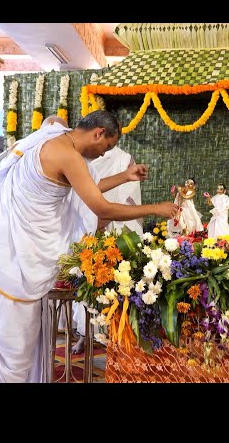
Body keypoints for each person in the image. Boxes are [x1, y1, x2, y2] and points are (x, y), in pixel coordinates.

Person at [0, 109, 177, 383]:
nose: (103, 154)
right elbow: (100, 206)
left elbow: (89, 185)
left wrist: (125, 176)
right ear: (98, 133)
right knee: (15, 346)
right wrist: (156, 209)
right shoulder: (67, 153)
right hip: (13, 262)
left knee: (18, 342)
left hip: (4, 250)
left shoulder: (56, 143)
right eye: (107, 147)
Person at [68, 144, 143, 354]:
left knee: (113, 287)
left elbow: (130, 197)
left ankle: (114, 334)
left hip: (115, 232)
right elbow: (81, 193)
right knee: (86, 285)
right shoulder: (80, 158)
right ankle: (84, 334)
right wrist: (92, 220)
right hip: (87, 231)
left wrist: (106, 217)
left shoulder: (124, 158)